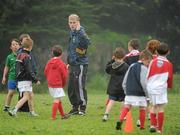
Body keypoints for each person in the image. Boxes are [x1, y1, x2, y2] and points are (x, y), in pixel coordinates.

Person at [116, 49, 153, 130]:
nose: (149, 64)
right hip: (139, 93)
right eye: (148, 62)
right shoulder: (144, 68)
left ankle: (120, 120)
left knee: (127, 106)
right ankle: (142, 127)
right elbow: (144, 83)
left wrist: (126, 91)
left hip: (129, 92)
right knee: (142, 108)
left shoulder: (132, 66)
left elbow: (125, 80)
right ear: (144, 59)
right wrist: (148, 95)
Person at [8, 38, 40, 116]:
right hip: (25, 79)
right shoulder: (26, 56)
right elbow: (29, 70)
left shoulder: (19, 54)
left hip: (20, 79)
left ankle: (31, 112)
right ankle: (14, 110)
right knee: (26, 96)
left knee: (30, 96)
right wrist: (35, 80)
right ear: (31, 46)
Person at [67, 14, 91, 116]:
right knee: (71, 87)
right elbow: (71, 49)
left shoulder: (81, 32)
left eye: (74, 22)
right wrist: (69, 62)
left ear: (78, 22)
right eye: (70, 22)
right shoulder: (72, 33)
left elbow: (88, 42)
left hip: (81, 64)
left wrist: (79, 30)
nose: (72, 24)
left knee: (79, 86)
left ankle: (82, 108)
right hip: (72, 64)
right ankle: (75, 107)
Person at [146, 43, 173, 134]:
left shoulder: (152, 61)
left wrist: (148, 85)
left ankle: (153, 125)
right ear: (168, 52)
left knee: (153, 106)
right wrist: (169, 86)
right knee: (160, 107)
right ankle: (159, 129)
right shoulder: (169, 64)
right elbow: (169, 78)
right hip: (161, 88)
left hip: (151, 87)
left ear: (156, 51)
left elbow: (148, 74)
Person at [102, 47, 129, 121]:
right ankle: (123, 116)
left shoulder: (113, 65)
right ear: (124, 56)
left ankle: (106, 115)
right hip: (123, 88)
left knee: (111, 100)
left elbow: (107, 69)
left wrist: (111, 60)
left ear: (114, 56)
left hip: (113, 87)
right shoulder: (126, 66)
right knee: (124, 101)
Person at [44, 45, 70, 120]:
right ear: (61, 54)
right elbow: (65, 75)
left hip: (50, 84)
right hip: (57, 84)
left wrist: (49, 79)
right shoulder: (62, 64)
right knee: (56, 100)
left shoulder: (49, 62)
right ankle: (53, 117)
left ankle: (62, 115)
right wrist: (63, 83)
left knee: (58, 99)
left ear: (52, 53)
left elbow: (46, 71)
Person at [17, 33, 38, 113]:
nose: (28, 41)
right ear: (21, 42)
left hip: (28, 75)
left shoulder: (28, 52)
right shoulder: (22, 53)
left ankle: (29, 110)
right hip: (25, 77)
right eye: (26, 40)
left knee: (27, 94)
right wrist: (34, 78)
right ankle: (16, 109)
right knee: (26, 95)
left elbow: (31, 63)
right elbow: (26, 67)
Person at [2, 39, 20, 112]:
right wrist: (4, 76)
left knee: (22, 94)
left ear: (20, 46)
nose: (15, 46)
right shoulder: (9, 57)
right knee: (11, 93)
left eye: (16, 44)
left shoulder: (22, 55)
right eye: (13, 44)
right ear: (11, 47)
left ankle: (20, 108)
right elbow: (6, 67)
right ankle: (6, 107)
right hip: (12, 77)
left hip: (21, 78)